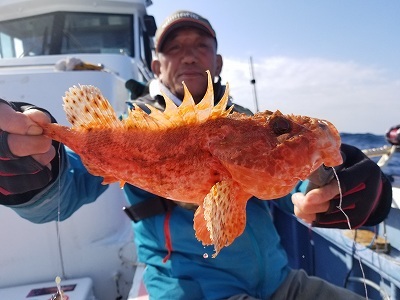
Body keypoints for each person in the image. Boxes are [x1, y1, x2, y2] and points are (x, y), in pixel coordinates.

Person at [0, 10, 392, 300]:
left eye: (201, 46)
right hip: (188, 291)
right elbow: (62, 198)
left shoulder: (249, 125)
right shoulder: (124, 128)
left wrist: (345, 188)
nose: (188, 56)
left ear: (217, 61)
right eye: (175, 48)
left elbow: (294, 188)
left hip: (282, 283)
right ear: (157, 65)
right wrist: (31, 174)